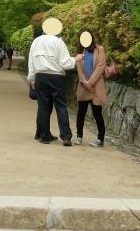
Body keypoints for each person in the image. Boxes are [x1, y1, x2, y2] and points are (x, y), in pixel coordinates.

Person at [28, 16, 75, 145]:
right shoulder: (59, 42)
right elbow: (65, 63)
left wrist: (32, 80)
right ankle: (66, 136)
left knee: (43, 106)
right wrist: (75, 60)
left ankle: (44, 136)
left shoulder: (36, 41)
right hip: (56, 76)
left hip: (40, 76)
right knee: (61, 106)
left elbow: (31, 63)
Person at [73, 29, 108, 147]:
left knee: (97, 113)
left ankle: (100, 139)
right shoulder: (80, 52)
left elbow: (100, 67)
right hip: (83, 86)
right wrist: (85, 82)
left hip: (96, 86)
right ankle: (79, 136)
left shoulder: (99, 50)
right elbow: (79, 70)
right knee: (81, 112)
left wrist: (90, 82)